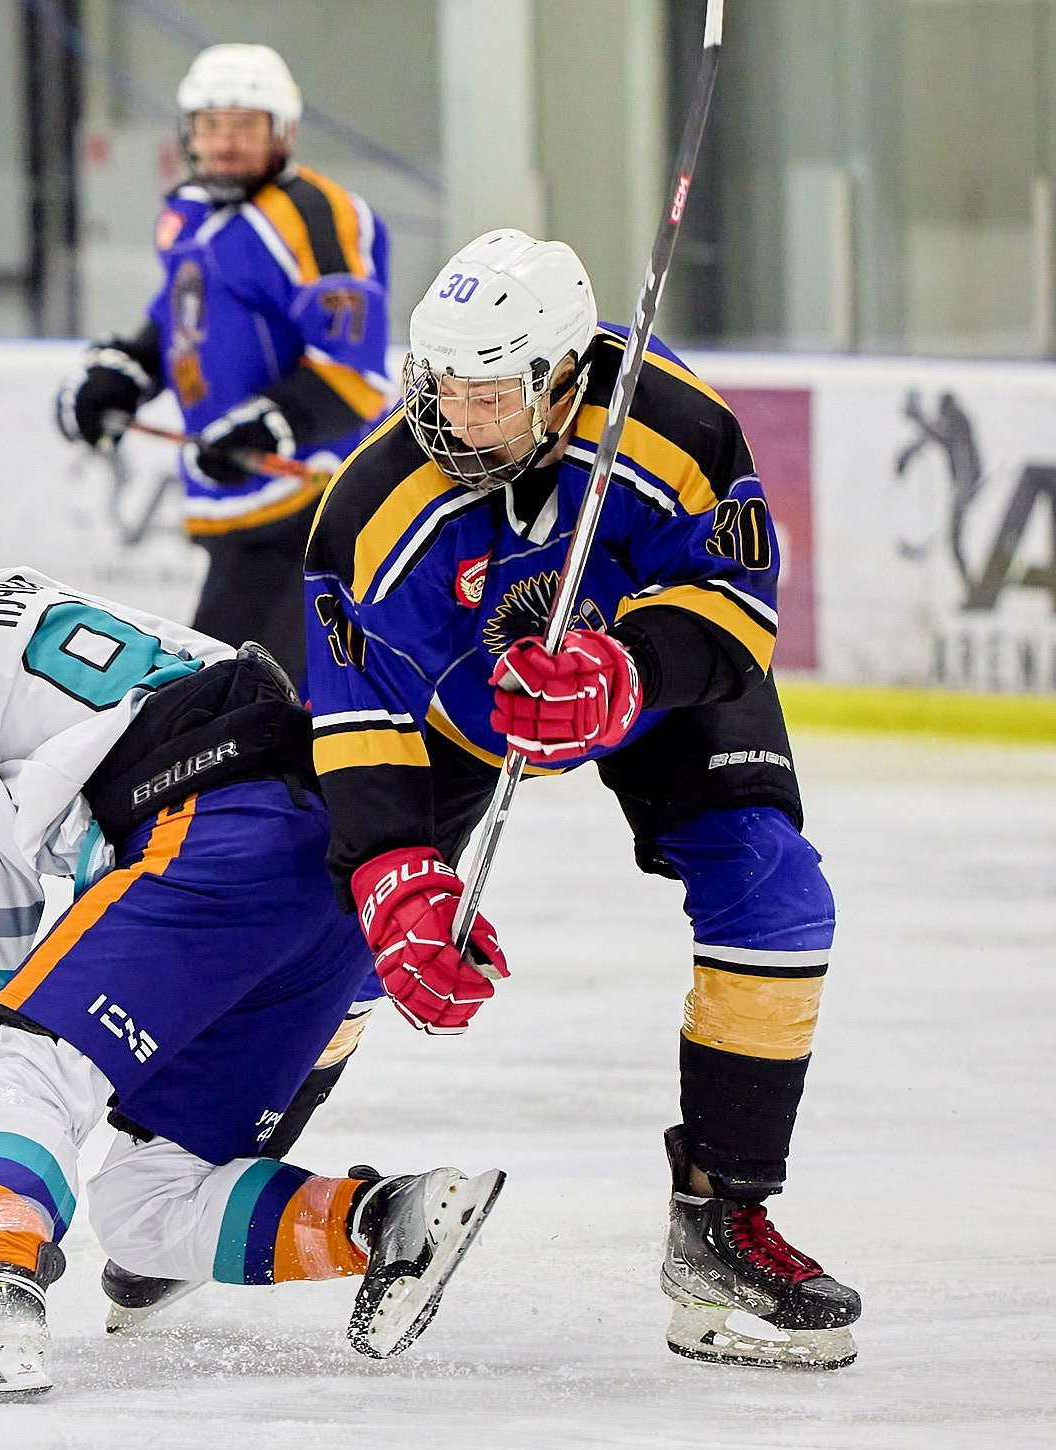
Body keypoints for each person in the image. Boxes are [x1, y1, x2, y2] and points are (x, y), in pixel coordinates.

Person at [0, 484, 502, 1399]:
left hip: (219, 838)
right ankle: (388, 1220)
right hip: (338, 863)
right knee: (145, 1206)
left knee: (25, 1069)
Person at [301, 228, 861, 1370]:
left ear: (562, 378)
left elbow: (738, 600)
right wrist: (391, 869)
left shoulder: (676, 425)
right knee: (344, 936)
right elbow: (357, 717)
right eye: (440, 388)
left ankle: (721, 1226)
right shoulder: (369, 513)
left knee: (774, 887)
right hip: (459, 713)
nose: (458, 422)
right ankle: (226, 1159)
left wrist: (630, 670)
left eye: (491, 396)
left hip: (644, 685)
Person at [55, 42, 392, 685]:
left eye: (245, 126)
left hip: (315, 511)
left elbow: (354, 373)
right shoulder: (190, 210)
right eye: (211, 125)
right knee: (239, 697)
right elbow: (182, 320)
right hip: (244, 510)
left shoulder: (317, 216)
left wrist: (268, 426)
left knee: (231, 702)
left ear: (283, 132)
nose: (225, 144)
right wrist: (126, 372)